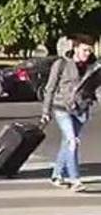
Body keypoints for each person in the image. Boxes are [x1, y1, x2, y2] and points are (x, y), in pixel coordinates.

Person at [40, 34, 99, 192]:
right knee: (72, 141)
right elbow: (50, 88)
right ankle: (75, 179)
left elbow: (97, 89)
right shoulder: (61, 64)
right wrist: (46, 111)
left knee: (68, 143)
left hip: (81, 109)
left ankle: (57, 175)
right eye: (85, 50)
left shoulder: (94, 67)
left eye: (90, 51)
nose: (88, 54)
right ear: (76, 48)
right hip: (62, 108)